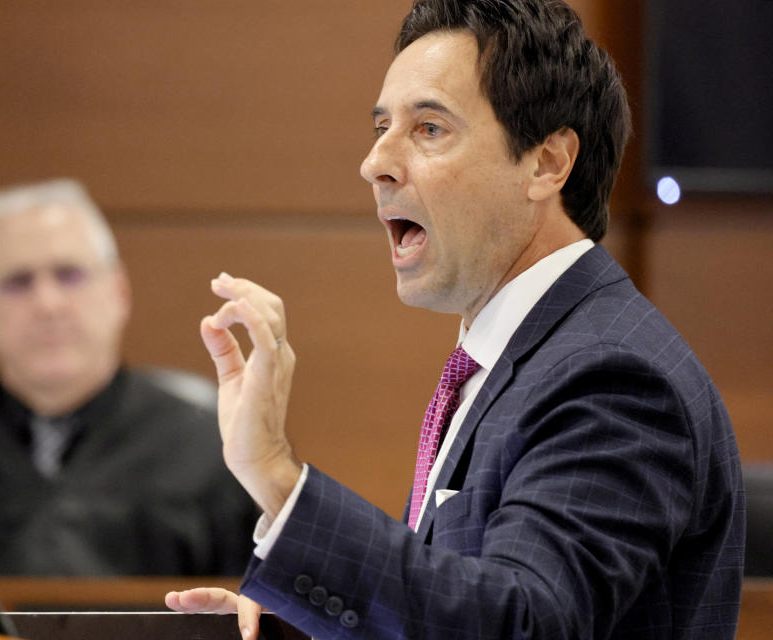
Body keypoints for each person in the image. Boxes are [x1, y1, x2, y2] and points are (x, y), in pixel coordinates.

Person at [166, 1, 745, 638]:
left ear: (547, 163)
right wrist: (313, 620)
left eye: (429, 128)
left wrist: (277, 475)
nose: (375, 163)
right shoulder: (519, 358)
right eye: (381, 126)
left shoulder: (611, 374)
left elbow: (521, 625)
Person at [0, 178, 258, 576]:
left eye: (69, 274)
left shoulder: (214, 452)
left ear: (119, 293)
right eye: (17, 281)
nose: (48, 303)